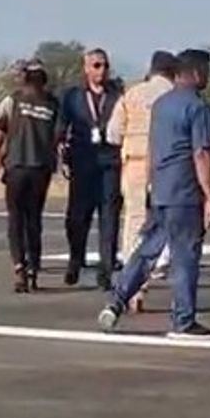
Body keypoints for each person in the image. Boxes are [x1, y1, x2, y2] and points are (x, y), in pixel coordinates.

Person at [98, 49, 210, 339]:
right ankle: (183, 320)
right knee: (185, 255)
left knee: (147, 250)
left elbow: (152, 148)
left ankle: (117, 300)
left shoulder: (161, 105)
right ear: (196, 73)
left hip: (162, 188)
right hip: (185, 190)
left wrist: (152, 183)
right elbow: (201, 153)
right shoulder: (198, 107)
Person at [0, 61, 63, 292]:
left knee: (15, 219)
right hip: (40, 169)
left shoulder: (13, 101)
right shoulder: (54, 105)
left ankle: (19, 268)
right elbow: (60, 137)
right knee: (34, 219)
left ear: (25, 79)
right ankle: (33, 267)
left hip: (16, 168)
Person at [106, 50, 178, 310]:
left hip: (135, 164)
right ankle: (163, 268)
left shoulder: (131, 94)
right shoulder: (176, 95)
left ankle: (132, 288)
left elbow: (113, 134)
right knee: (168, 222)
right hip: (167, 165)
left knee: (135, 224)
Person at [60, 48, 124, 290]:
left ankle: (105, 271)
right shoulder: (73, 96)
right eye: (96, 65)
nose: (102, 70)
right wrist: (62, 156)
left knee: (109, 217)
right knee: (77, 217)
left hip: (110, 163)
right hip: (83, 162)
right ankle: (75, 259)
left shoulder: (117, 95)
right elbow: (61, 129)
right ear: (86, 69)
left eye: (105, 65)